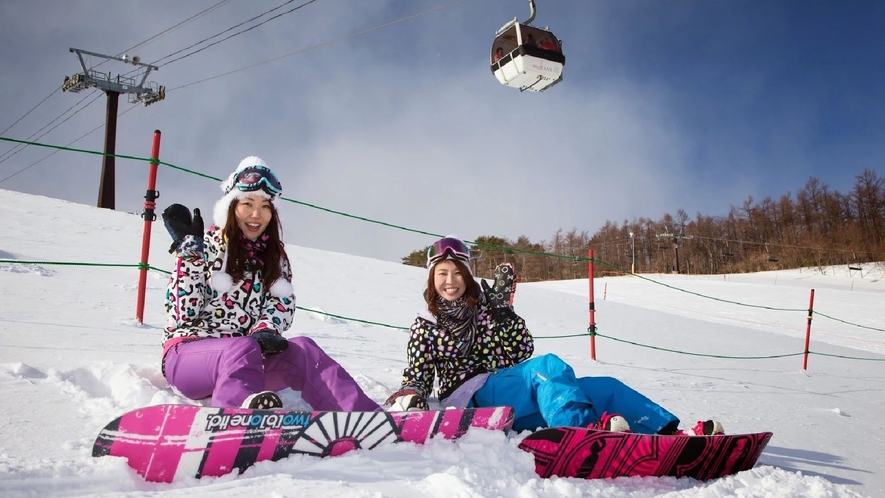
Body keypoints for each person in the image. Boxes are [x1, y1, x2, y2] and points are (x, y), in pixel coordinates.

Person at [385, 236, 723, 436]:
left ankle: (671, 435)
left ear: (468, 276)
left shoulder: (485, 310)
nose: (450, 280)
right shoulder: (425, 323)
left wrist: (505, 315)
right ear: (432, 280)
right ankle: (579, 433)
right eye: (442, 273)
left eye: (457, 273)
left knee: (605, 387)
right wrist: (411, 394)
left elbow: (520, 351)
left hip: (506, 393)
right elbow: (417, 373)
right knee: (547, 366)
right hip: (469, 400)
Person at [161, 156, 382, 412]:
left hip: (248, 363)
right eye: (248, 204)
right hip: (190, 358)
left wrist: (267, 329)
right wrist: (190, 255)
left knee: (305, 350)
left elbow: (281, 304)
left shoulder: (275, 258)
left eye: (265, 206)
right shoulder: (206, 246)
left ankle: (364, 416)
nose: (257, 214)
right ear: (231, 206)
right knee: (242, 347)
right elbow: (182, 314)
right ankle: (235, 417)